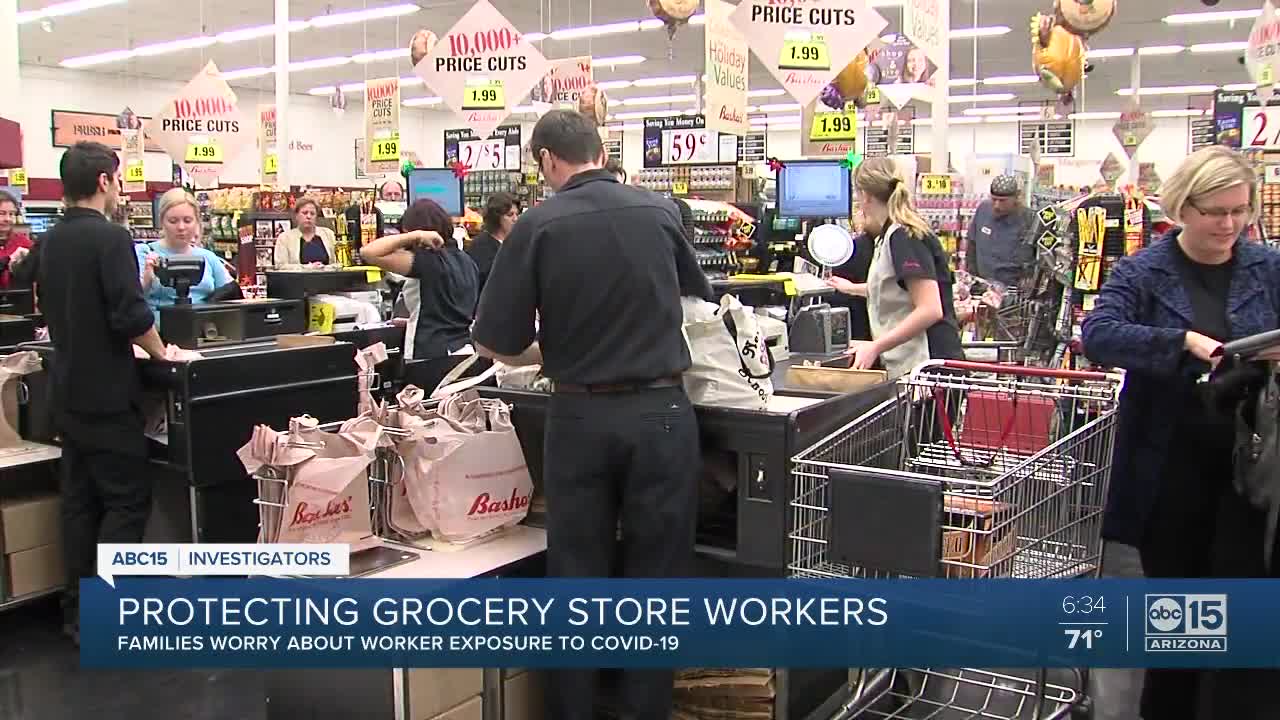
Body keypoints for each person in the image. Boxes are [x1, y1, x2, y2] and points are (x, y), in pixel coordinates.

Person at [470, 109, 712, 720]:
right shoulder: (658, 210)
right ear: (601, 150)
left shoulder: (537, 225)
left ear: (549, 160)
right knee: (658, 581)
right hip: (662, 412)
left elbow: (495, 341)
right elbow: (697, 299)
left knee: (577, 579)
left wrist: (554, 348)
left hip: (579, 418)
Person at [1082, 145, 1280, 720]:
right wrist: (1180, 344)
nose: (1230, 225)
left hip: (1253, 464)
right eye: (1216, 211)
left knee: (1243, 602)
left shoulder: (1267, 268)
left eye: (1240, 211)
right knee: (1181, 611)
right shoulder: (1144, 271)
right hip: (1169, 466)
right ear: (1182, 208)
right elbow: (1099, 334)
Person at [21, 141, 169, 645]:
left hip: (66, 392)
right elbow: (129, 314)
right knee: (127, 501)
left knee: (80, 504)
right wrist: (163, 352)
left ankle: (78, 613)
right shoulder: (110, 239)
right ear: (105, 180)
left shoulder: (51, 240)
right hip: (108, 393)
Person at [834, 157, 963, 378]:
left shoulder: (904, 236)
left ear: (864, 196)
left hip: (930, 365)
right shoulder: (889, 235)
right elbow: (895, 289)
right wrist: (851, 288)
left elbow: (930, 308)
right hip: (916, 365)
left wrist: (875, 347)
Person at [360, 199, 479, 362]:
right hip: (464, 350)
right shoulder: (466, 260)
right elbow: (447, 311)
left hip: (430, 353)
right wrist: (412, 320)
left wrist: (414, 236)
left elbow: (369, 252)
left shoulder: (427, 261)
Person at [136, 188, 233, 325]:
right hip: (159, 334)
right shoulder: (145, 253)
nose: (181, 227)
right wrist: (147, 281)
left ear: (197, 222)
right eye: (173, 221)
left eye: (187, 220)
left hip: (204, 332)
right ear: (162, 221)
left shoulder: (209, 258)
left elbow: (229, 296)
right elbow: (131, 301)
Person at [965, 174, 1035, 291]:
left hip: (1012, 290)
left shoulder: (1028, 219)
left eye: (1002, 201)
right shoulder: (983, 210)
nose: (997, 205)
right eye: (994, 199)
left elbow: (1034, 257)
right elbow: (972, 244)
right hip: (983, 286)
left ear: (1016, 198)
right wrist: (972, 276)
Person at [467, 192, 519, 294]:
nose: (515, 219)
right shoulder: (481, 246)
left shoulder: (515, 242)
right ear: (496, 217)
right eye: (510, 215)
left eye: (517, 214)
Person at [273, 198, 336, 267]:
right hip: (297, 277)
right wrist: (307, 267)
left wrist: (324, 268)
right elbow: (280, 266)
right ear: (296, 215)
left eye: (312, 214)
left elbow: (337, 263)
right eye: (305, 213)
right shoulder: (284, 238)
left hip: (327, 277)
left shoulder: (328, 234)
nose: (308, 216)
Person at [0, 191, 33, 289]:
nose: (8, 219)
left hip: (18, 301)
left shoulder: (23, 243)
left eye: (12, 214)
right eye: (2, 213)